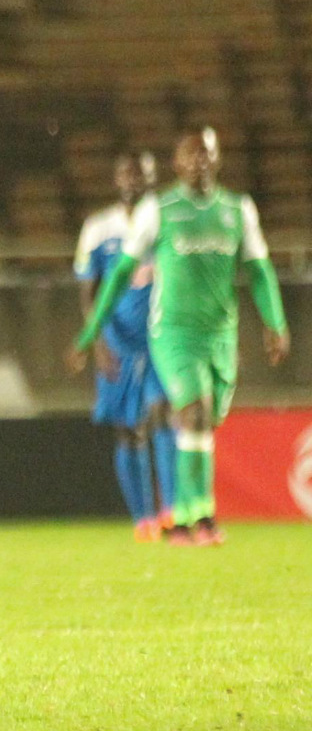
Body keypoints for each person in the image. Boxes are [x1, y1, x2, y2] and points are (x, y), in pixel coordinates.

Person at [72, 128, 291, 545]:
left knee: (204, 421)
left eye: (206, 154)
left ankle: (191, 515)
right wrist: (91, 332)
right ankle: (189, 517)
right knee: (185, 414)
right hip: (172, 332)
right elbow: (118, 274)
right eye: (191, 156)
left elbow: (259, 271)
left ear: (218, 158)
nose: (199, 162)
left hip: (219, 332)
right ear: (177, 164)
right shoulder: (160, 210)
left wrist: (275, 322)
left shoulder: (237, 209)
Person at [73, 151, 175, 540]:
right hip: (118, 340)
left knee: (164, 415)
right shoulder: (98, 227)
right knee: (128, 430)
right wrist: (96, 341)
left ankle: (171, 510)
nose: (135, 182)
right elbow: (88, 291)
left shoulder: (166, 220)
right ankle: (143, 518)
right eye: (128, 175)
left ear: (154, 178)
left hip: (162, 336)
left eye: (143, 175)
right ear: (117, 180)